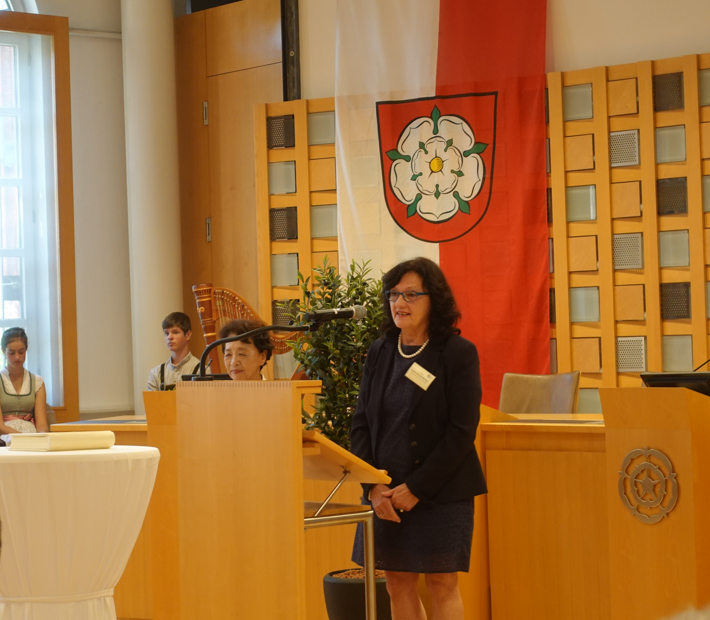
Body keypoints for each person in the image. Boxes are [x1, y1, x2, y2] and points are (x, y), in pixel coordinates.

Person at [349, 257, 487, 620]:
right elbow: (361, 422)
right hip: (385, 492)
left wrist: (417, 488)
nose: (399, 302)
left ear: (434, 300)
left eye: (411, 295)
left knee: (441, 583)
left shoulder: (457, 353)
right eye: (394, 294)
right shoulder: (380, 350)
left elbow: (461, 432)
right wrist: (372, 486)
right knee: (396, 582)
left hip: (440, 491)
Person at [0, 327, 49, 434]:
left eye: (21, 352)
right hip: (4, 436)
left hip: (31, 435)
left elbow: (42, 424)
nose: (17, 357)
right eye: (12, 353)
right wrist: (22, 438)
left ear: (26, 349)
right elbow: (0, 426)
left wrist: (41, 437)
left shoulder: (37, 382)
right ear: (3, 351)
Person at [147, 312, 201, 391]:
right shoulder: (156, 373)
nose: (169, 337)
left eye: (175, 332)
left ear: (188, 335)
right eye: (166, 333)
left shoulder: (202, 370)